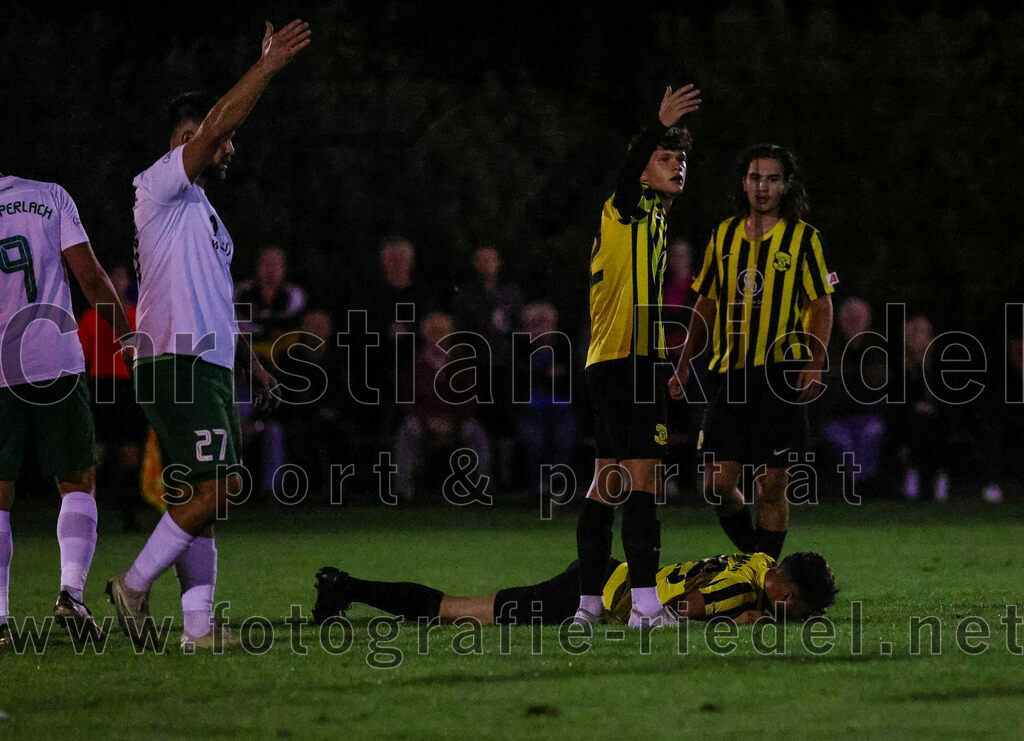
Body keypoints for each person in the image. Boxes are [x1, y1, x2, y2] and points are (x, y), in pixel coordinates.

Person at [106, 18, 311, 651]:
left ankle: (197, 627)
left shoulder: (207, 216)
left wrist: (254, 365)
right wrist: (267, 66)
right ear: (186, 140)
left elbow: (218, 303)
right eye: (217, 139)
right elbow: (219, 122)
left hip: (207, 363)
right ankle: (132, 584)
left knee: (205, 493)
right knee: (222, 488)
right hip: (177, 360)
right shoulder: (158, 185)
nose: (226, 148)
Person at [670, 144, 835, 561]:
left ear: (786, 185)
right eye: (755, 177)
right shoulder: (724, 235)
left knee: (772, 485)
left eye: (772, 179)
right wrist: (684, 363)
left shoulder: (803, 238)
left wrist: (814, 363)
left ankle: (762, 571)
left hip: (780, 374)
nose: (763, 187)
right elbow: (706, 302)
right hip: (729, 375)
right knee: (716, 484)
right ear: (743, 183)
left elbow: (821, 305)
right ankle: (757, 563)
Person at [575, 84, 701, 628]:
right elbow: (626, 176)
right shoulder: (625, 208)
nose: (677, 166)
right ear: (644, 170)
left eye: (680, 159)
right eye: (664, 158)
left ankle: (587, 605)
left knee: (606, 483)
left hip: (615, 361)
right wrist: (657, 125)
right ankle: (646, 606)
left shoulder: (654, 219)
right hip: (627, 362)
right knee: (643, 479)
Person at [0, 170, 134, 649]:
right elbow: (90, 277)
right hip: (52, 356)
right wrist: (128, 337)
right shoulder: (49, 196)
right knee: (77, 480)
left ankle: (0, 617)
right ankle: (70, 594)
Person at [311, 550, 837, 627]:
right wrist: (737, 620)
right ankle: (346, 587)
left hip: (605, 573)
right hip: (593, 592)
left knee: (463, 610)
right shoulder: (741, 592)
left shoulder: (760, 562)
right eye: (800, 611)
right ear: (787, 595)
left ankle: (347, 587)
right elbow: (679, 610)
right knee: (457, 611)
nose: (797, 618)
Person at [393, 312, 492, 500]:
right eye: (433, 333)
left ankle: (482, 488)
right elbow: (407, 399)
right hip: (424, 419)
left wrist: (453, 420)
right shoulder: (416, 364)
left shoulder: (461, 362)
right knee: (408, 431)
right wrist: (428, 420)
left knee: (476, 433)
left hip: (456, 419)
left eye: (442, 333)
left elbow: (469, 399)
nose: (437, 338)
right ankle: (403, 490)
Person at [78, 264, 146, 531]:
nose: (117, 283)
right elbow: (82, 357)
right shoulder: (91, 317)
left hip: (128, 386)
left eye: (121, 277)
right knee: (98, 450)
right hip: (102, 385)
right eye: (112, 277)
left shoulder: (137, 315)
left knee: (131, 450)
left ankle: (129, 512)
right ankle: (88, 512)